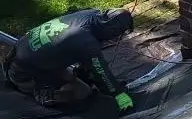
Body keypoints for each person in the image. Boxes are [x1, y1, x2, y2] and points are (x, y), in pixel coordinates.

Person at [4, 9, 135, 113]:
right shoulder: (85, 41)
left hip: (19, 54)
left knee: (81, 73)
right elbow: (100, 71)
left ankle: (61, 78)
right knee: (82, 92)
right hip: (23, 73)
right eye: (120, 33)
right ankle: (43, 93)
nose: (118, 37)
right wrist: (118, 94)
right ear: (112, 29)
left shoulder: (90, 14)